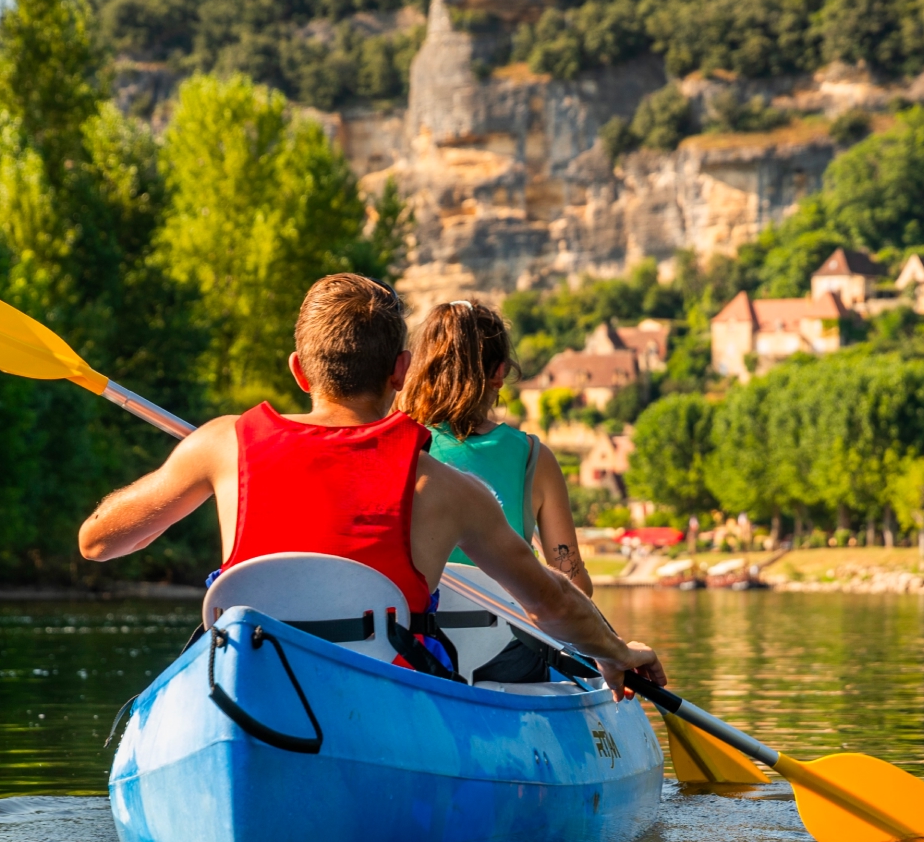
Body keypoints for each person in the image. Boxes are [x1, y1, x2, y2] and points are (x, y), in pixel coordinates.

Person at [76, 273, 663, 693]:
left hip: (255, 686)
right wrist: (615, 652)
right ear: (399, 371)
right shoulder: (449, 490)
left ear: (299, 370)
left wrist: (190, 463)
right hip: (389, 700)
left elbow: (98, 541)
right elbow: (550, 599)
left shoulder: (221, 445)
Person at [399, 300, 592, 595]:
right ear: (499, 373)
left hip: (423, 632)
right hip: (504, 634)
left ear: (421, 368)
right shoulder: (532, 458)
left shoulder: (398, 447)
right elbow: (575, 587)